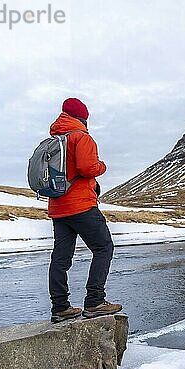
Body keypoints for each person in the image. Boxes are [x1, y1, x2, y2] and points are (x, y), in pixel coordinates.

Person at [47, 97, 121, 323]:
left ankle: (60, 307)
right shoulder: (82, 137)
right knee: (104, 248)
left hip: (58, 207)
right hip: (81, 205)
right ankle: (95, 301)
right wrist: (103, 166)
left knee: (61, 257)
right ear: (83, 118)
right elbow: (88, 168)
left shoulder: (54, 141)